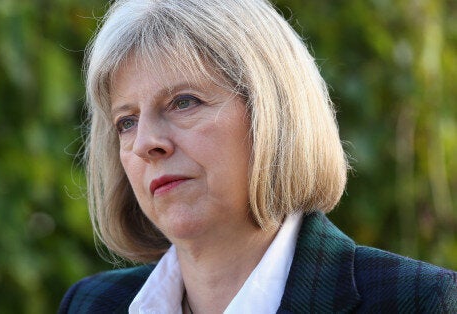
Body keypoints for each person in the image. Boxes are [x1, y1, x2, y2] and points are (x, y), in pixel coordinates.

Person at [59, 0, 457, 312]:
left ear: (273, 112)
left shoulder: (420, 300)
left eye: (184, 102)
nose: (146, 142)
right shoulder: (90, 305)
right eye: (126, 122)